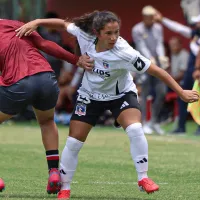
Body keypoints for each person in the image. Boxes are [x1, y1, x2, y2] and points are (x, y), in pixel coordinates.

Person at [16, 11, 199, 199]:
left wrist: (181, 92)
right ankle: (65, 188)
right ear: (97, 33)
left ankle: (143, 178)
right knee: (73, 142)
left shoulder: (125, 53)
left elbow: (157, 71)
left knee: (136, 128)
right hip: (90, 95)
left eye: (117, 32)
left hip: (120, 95)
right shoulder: (84, 35)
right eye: (109, 33)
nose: (113, 38)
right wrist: (37, 21)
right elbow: (63, 24)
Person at [0, 19, 93, 194]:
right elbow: (45, 44)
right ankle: (54, 173)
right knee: (47, 122)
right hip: (46, 78)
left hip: (18, 82)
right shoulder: (12, 23)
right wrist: (76, 60)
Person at [153, 11, 200, 135]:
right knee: (183, 96)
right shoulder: (195, 34)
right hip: (191, 72)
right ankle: (181, 126)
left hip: (197, 71)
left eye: (198, 22)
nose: (195, 24)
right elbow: (179, 28)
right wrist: (162, 20)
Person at [132, 5, 169, 135]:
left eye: (153, 17)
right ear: (144, 17)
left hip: (157, 64)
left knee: (162, 92)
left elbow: (159, 43)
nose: (152, 19)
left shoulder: (158, 27)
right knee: (144, 93)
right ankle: (142, 123)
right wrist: (150, 59)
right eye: (150, 17)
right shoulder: (137, 29)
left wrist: (161, 56)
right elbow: (141, 46)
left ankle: (153, 122)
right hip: (143, 63)